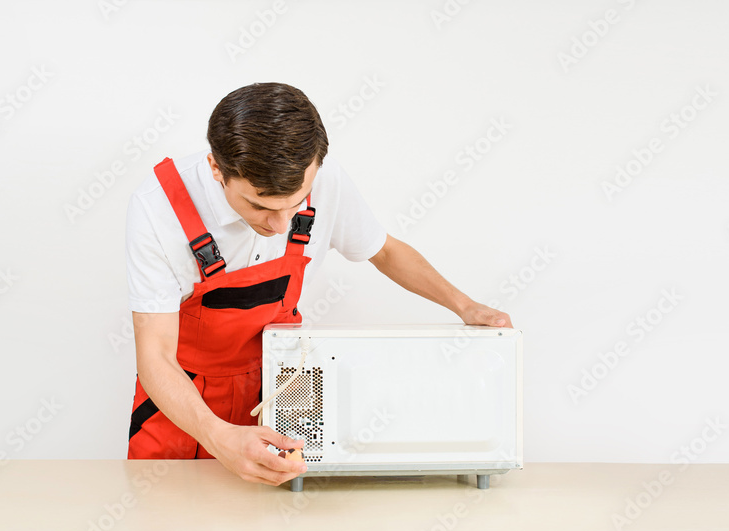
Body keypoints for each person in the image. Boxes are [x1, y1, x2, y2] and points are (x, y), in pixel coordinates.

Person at [125, 82, 512, 486]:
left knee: (281, 517)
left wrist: (465, 306)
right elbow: (156, 356)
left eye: (296, 203)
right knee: (168, 514)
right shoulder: (158, 207)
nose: (280, 225)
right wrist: (218, 436)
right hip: (181, 405)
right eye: (259, 206)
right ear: (216, 168)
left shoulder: (326, 180)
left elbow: (384, 251)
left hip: (283, 391)